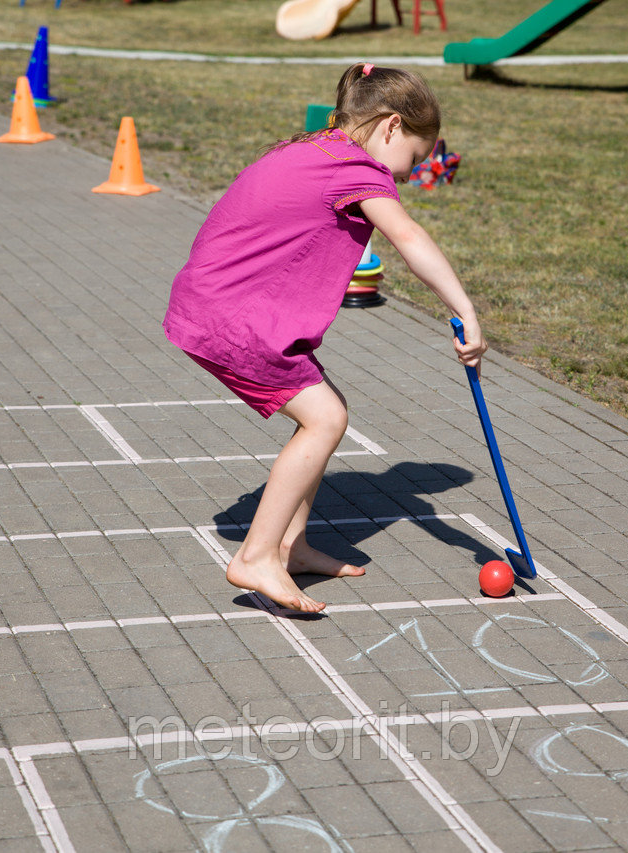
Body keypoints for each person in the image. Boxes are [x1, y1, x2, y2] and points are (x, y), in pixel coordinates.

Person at [163, 62, 486, 613]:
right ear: (388, 127)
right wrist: (465, 309)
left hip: (216, 302)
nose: (406, 175)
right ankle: (257, 556)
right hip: (234, 317)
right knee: (327, 419)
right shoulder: (359, 170)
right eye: (412, 159)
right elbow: (407, 235)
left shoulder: (319, 147)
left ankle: (293, 544)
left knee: (328, 407)